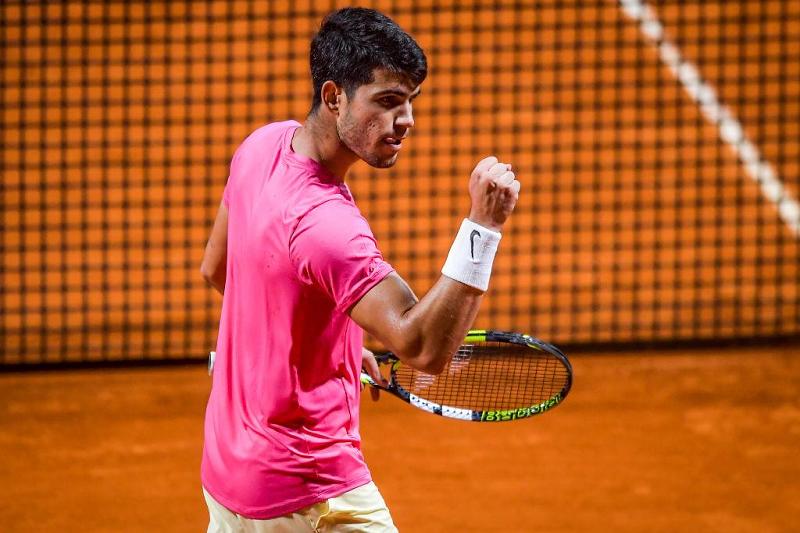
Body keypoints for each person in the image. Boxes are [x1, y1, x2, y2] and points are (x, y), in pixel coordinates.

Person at [199, 7, 520, 532]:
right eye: (387, 102)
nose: (406, 120)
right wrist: (482, 228)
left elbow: (219, 270)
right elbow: (423, 348)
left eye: (411, 101)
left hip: (229, 470)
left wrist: (336, 348)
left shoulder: (260, 147)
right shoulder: (328, 226)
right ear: (334, 97)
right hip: (308, 491)